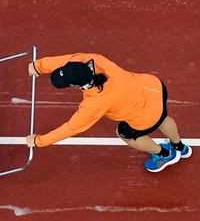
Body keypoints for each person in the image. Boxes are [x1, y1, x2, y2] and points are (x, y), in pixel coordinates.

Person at [24, 52, 191, 172]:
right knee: (163, 117)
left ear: (75, 86)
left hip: (144, 115)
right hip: (153, 87)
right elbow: (65, 60)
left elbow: (71, 128)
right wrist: (38, 67)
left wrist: (39, 141)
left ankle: (165, 154)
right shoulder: (92, 59)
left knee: (124, 133)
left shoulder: (95, 102)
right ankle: (180, 147)